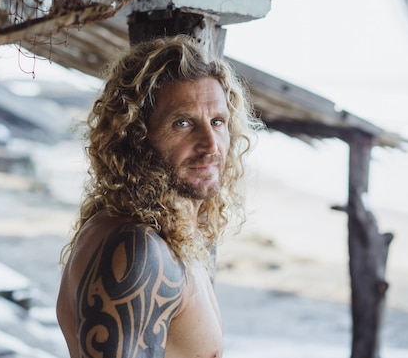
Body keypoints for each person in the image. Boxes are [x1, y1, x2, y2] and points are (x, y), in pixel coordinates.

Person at [56, 35, 262, 358]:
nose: (211, 145)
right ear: (136, 136)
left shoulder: (169, 237)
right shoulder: (138, 251)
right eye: (183, 123)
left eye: (217, 122)